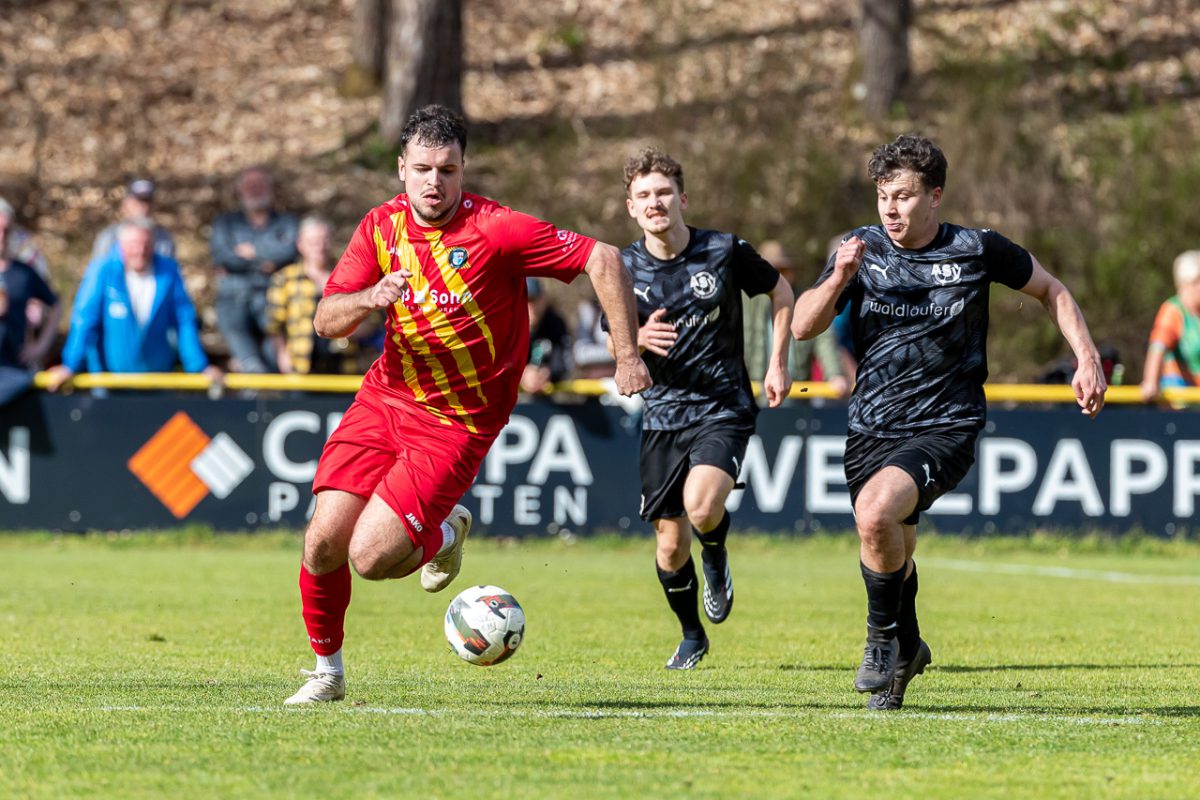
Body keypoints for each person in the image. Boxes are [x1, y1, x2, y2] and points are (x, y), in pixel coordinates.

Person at [285, 105, 650, 705]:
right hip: (385, 398)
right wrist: (370, 297)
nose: (435, 182)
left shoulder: (496, 230)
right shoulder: (380, 227)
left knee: (370, 558)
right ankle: (327, 672)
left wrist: (627, 355)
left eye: (447, 170)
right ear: (401, 169)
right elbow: (326, 320)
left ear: (463, 170)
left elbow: (603, 258)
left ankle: (446, 530)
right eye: (423, 169)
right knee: (323, 539)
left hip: (456, 422)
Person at [792, 134, 1106, 710]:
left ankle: (880, 643)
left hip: (946, 423)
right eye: (883, 196)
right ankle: (908, 650)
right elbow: (801, 327)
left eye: (904, 196)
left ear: (934, 196)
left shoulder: (976, 248)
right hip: (871, 425)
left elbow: (1051, 290)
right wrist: (837, 278)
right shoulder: (860, 248)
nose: (890, 209)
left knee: (875, 513)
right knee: (892, 543)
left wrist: (1086, 357)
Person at [614, 147, 793, 669]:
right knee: (670, 548)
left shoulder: (723, 250)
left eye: (664, 192)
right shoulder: (622, 267)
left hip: (722, 406)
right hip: (661, 416)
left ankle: (714, 552)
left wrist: (778, 363)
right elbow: (611, 337)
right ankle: (693, 636)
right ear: (631, 207)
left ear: (683, 198)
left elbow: (782, 292)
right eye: (644, 195)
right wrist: (633, 341)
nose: (655, 202)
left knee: (701, 506)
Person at [45, 218, 221, 389]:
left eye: (145, 244)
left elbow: (184, 320)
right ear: (121, 245)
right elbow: (85, 319)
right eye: (133, 244)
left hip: (157, 379)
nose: (140, 250)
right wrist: (70, 365)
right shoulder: (104, 271)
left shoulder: (168, 272)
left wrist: (199, 366)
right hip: (111, 381)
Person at [210, 166, 299, 372]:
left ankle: (261, 375)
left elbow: (289, 252)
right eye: (249, 185)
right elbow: (223, 256)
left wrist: (252, 252)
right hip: (234, 298)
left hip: (274, 296)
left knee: (275, 342)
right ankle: (253, 369)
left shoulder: (287, 222)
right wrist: (266, 261)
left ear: (271, 189)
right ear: (239, 190)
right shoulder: (225, 223)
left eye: (260, 185)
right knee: (234, 327)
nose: (255, 190)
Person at [266, 216, 373, 375]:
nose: (320, 247)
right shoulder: (284, 279)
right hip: (301, 367)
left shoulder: (351, 277)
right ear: (300, 245)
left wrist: (345, 328)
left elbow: (372, 322)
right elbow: (274, 326)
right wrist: (282, 356)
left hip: (344, 367)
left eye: (324, 240)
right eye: (313, 242)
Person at [744, 240, 850, 400]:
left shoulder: (804, 301)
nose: (779, 276)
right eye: (772, 270)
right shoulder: (744, 302)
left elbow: (824, 339)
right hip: (754, 398)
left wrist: (835, 374)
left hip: (798, 398)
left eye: (784, 270)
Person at [0, 208, 60, 405]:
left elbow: (55, 305)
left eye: (6, 230)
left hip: (14, 373)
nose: (1, 236)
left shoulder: (24, 272)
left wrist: (40, 347)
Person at [1139, 250, 1200, 404]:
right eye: (1196, 282)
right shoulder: (1174, 311)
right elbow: (1158, 347)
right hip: (1181, 404)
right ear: (1183, 284)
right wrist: (1151, 381)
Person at [90, 179, 176, 264]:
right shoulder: (110, 237)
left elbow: (169, 270)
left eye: (148, 202)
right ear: (125, 205)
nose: (144, 208)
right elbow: (99, 268)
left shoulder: (164, 238)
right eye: (138, 202)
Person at [521, 277, 572, 393]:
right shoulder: (509, 326)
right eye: (526, 300)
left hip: (548, 394)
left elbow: (564, 361)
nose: (531, 306)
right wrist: (521, 375)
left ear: (544, 300)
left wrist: (548, 373)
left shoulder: (555, 324)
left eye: (534, 300)